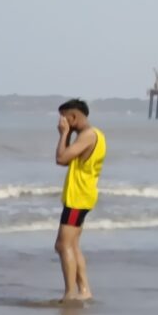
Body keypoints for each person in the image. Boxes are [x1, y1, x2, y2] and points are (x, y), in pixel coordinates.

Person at [54, 99, 104, 303]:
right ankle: (84, 290)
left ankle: (70, 293)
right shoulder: (94, 135)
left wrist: (63, 134)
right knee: (72, 245)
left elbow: (61, 159)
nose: (61, 122)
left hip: (78, 197)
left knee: (62, 244)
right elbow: (68, 159)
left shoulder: (87, 136)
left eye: (64, 118)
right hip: (82, 195)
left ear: (74, 117)